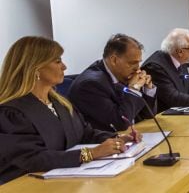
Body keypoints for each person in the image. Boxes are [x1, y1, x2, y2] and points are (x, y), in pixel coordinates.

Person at [0, 36, 140, 184]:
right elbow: (31, 159)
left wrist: (116, 138)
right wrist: (90, 154)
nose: (64, 67)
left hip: (65, 181)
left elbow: (85, 133)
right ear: (35, 67)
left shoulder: (60, 103)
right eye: (58, 61)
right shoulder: (12, 112)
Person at [68, 34, 157, 131]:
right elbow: (121, 123)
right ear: (114, 60)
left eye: (138, 62)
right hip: (100, 142)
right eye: (132, 63)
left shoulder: (121, 75)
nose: (138, 69)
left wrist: (147, 89)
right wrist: (134, 89)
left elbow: (147, 115)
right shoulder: (91, 85)